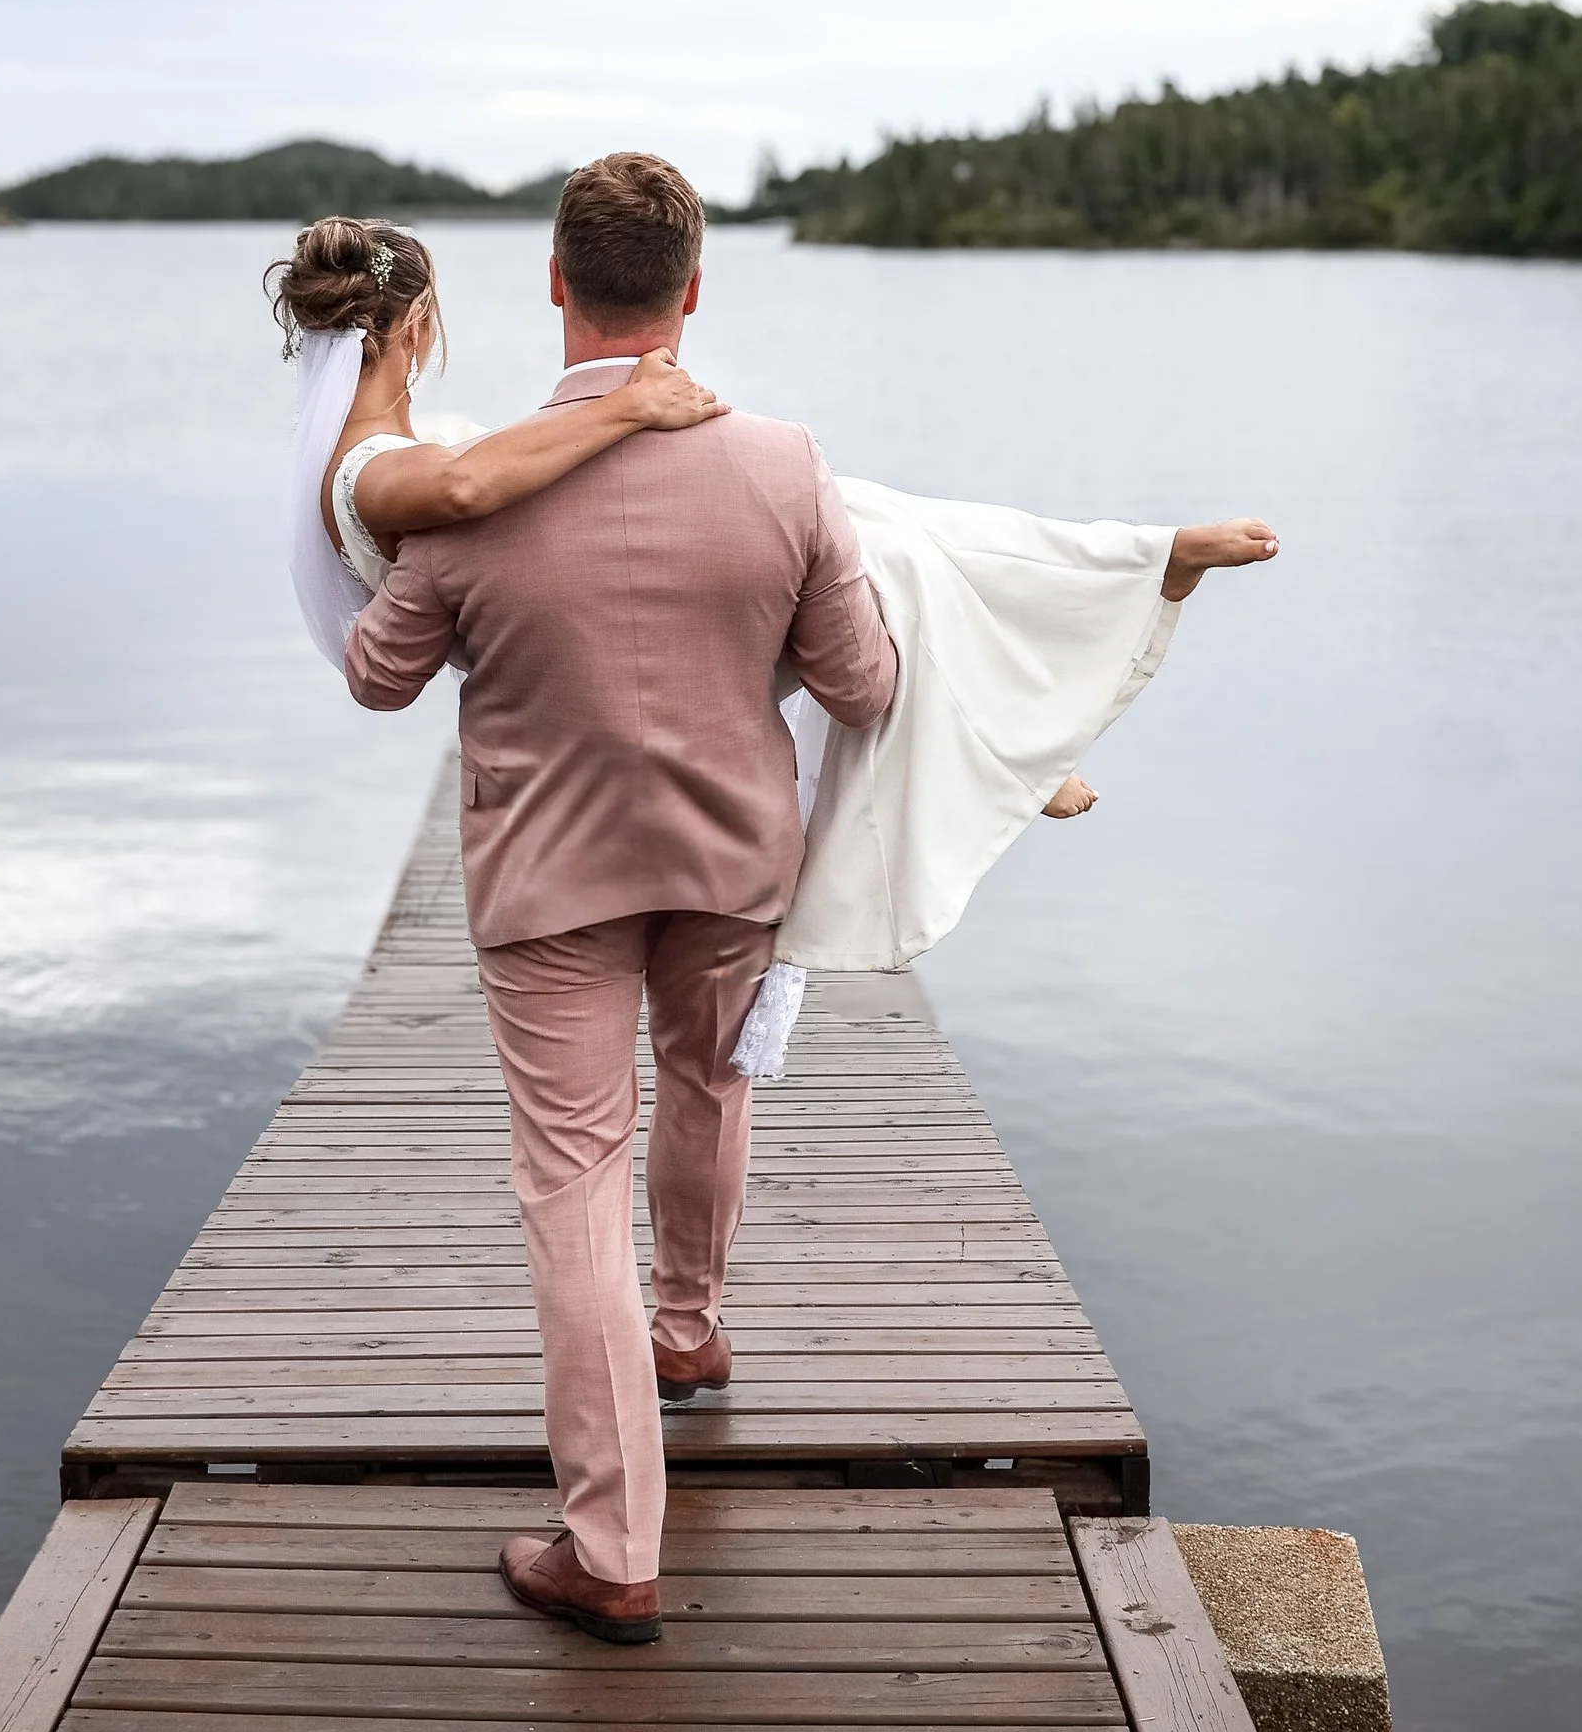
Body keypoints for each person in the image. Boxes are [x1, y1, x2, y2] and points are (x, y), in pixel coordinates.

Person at [267, 154, 1278, 1645]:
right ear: (692, 290)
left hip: (548, 873)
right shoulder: (785, 465)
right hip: (733, 856)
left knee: (570, 1183)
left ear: (556, 284)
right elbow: (865, 679)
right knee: (709, 1080)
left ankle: (612, 1540)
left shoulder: (466, 497)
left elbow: (378, 676)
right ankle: (688, 1326)